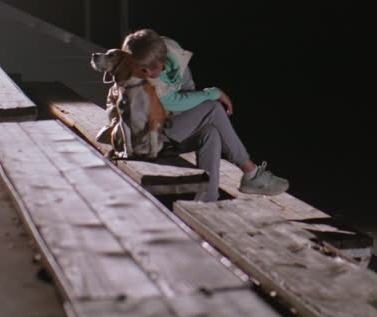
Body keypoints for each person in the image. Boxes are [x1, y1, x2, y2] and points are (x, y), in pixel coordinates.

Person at [121, 28, 289, 203]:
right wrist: (211, 93)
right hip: (147, 140)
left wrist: (191, 108)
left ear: (162, 56)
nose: (150, 74)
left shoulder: (172, 51)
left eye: (154, 68)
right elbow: (171, 101)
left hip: (169, 126)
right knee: (213, 108)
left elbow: (187, 88)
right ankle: (251, 173)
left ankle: (208, 200)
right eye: (144, 70)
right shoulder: (133, 73)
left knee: (210, 133)